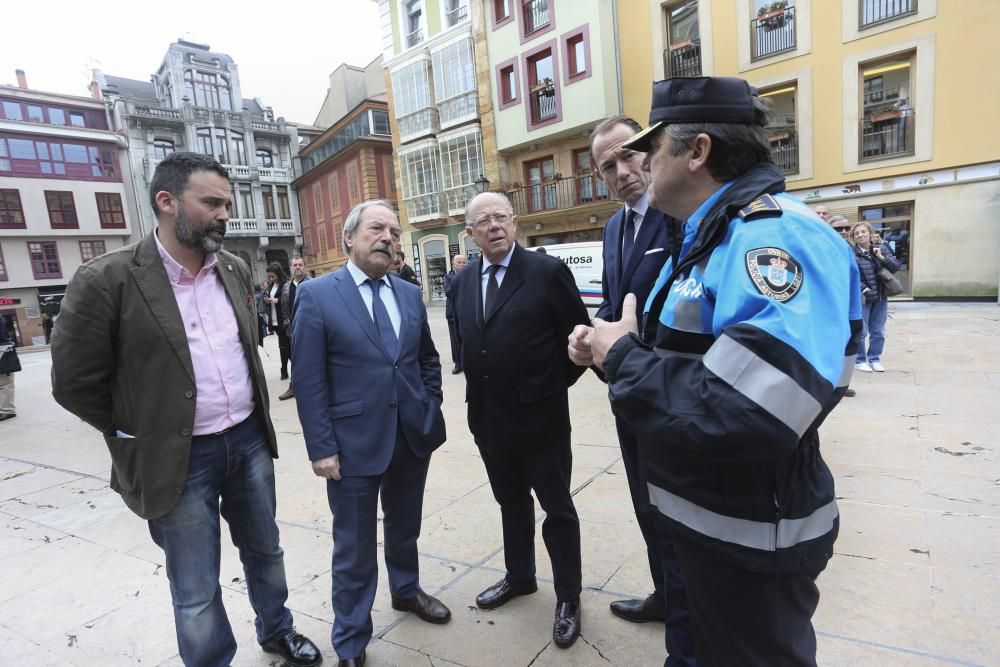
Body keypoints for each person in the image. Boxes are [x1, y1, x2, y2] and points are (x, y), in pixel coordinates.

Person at [568, 76, 861, 666]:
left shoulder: (773, 240)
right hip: (709, 526)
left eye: (650, 149)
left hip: (751, 538)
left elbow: (752, 409)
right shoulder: (711, 235)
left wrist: (621, 355)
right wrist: (610, 344)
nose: (640, 164)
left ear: (697, 151)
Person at [50, 152, 321, 667]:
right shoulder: (107, 280)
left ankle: (277, 630)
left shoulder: (235, 269)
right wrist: (131, 428)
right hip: (178, 457)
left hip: (247, 442)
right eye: (212, 202)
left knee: (266, 550)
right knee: (195, 584)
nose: (225, 214)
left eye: (228, 203)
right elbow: (73, 382)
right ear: (168, 202)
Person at [292, 200, 450, 667]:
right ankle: (352, 640)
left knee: (405, 528)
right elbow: (308, 378)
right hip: (351, 445)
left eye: (395, 233)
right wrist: (322, 448)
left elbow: (426, 358)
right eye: (377, 229)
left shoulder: (406, 292)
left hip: (409, 437)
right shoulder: (318, 294)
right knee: (354, 548)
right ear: (350, 237)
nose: (388, 238)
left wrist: (430, 402)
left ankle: (405, 590)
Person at [450, 191, 590, 649]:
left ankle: (568, 596)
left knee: (557, 509)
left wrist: (544, 389)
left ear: (514, 223)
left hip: (541, 421)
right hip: (489, 421)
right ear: (469, 234)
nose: (493, 225)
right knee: (511, 504)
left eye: (500, 217)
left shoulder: (547, 272)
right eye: (483, 221)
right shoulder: (464, 280)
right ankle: (520, 576)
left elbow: (578, 346)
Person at [588, 114, 694, 664]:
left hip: (671, 394)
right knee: (645, 505)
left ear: (650, 151)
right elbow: (615, 304)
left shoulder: (680, 215)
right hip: (628, 394)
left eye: (630, 155)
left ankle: (684, 619)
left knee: (676, 514)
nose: (624, 171)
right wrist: (592, 336)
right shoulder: (613, 228)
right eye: (609, 166)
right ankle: (664, 593)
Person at [851, 220, 900, 373]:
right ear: (854, 237)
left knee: (878, 331)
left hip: (880, 296)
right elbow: (849, 274)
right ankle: (860, 360)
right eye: (857, 233)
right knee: (862, 331)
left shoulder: (881, 249)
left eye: (863, 232)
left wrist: (881, 257)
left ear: (870, 233)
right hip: (863, 297)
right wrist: (862, 288)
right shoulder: (852, 253)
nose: (860, 235)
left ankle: (874, 359)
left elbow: (895, 267)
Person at [829, 216, 857, 397]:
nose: (844, 232)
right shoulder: (823, 248)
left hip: (849, 307)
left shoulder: (851, 249)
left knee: (847, 346)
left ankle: (840, 385)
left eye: (846, 228)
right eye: (839, 229)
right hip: (830, 307)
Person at [277, 256, 310, 400]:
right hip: (293, 330)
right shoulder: (286, 286)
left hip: (311, 329)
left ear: (305, 267)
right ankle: (294, 386)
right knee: (295, 359)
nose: (297, 267)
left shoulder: (313, 283)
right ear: (290, 268)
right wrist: (287, 326)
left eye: (300, 264)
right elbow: (284, 308)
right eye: (295, 265)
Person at [265, 263, 291, 380]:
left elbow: (289, 300)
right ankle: (286, 370)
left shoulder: (286, 285)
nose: (271, 279)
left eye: (272, 276)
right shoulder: (271, 286)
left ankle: (285, 371)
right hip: (274, 321)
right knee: (284, 347)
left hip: (283, 321)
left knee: (284, 347)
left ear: (278, 274)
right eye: (269, 277)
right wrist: (268, 300)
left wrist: (277, 300)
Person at [443, 254, 468, 375]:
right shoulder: (448, 277)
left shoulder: (471, 276)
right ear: (454, 264)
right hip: (453, 313)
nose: (462, 265)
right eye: (459, 262)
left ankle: (468, 362)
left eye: (464, 262)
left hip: (468, 313)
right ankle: (458, 363)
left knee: (468, 338)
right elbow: (448, 292)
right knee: (455, 340)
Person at [0, 316, 20, 422]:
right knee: (4, 382)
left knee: (5, 383)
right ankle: (6, 409)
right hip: (2, 349)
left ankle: (8, 410)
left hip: (2, 350)